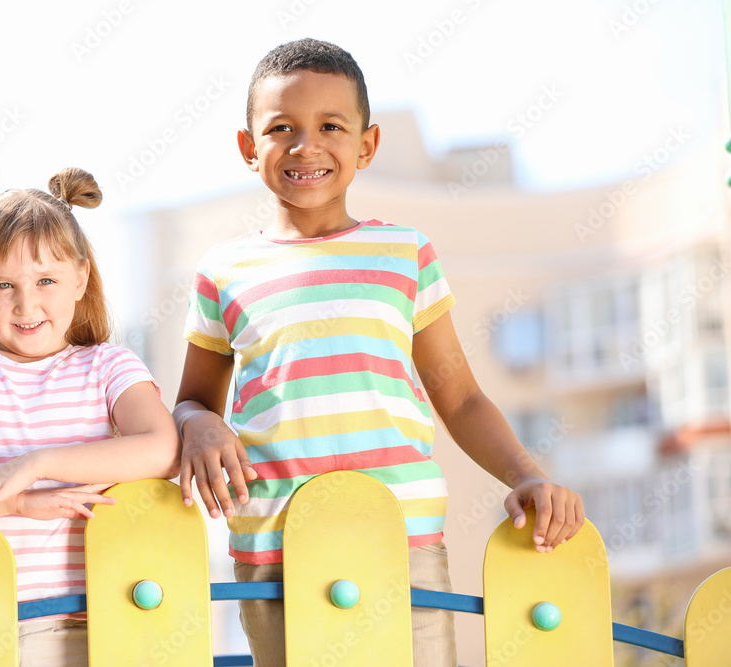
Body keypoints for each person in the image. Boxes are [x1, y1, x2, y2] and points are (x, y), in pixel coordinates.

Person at [174, 38, 584, 666]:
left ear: (366, 145)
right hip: (273, 548)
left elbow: (462, 396)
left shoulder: (404, 253)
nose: (306, 145)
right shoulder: (223, 269)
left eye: (331, 126)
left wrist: (527, 474)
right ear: (248, 147)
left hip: (403, 536)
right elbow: (193, 400)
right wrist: (198, 421)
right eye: (281, 128)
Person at [0, 164, 180, 665]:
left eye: (46, 280)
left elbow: (163, 448)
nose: (26, 304)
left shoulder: (106, 365)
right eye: (3, 285)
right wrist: (19, 502)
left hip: (89, 620)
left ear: (81, 277)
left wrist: (37, 463)